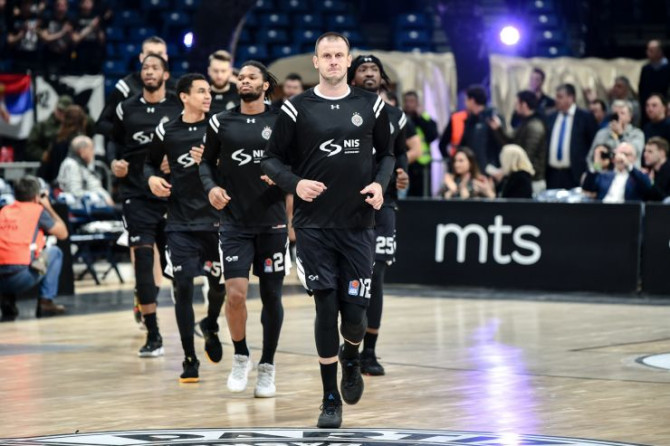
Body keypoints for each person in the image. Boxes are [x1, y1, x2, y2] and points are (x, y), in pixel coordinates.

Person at [261, 32, 394, 428]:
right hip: (313, 226)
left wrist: (379, 185)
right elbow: (270, 161)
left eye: (339, 55)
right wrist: (295, 183)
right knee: (326, 307)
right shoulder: (295, 108)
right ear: (316, 62)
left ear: (348, 61)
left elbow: (388, 155)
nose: (334, 61)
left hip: (358, 225)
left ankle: (352, 357)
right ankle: (329, 397)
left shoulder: (371, 104)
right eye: (327, 55)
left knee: (353, 316)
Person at [198, 61, 287, 397]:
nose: (244, 80)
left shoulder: (281, 119)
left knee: (271, 297)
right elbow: (206, 163)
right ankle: (240, 355)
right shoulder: (220, 121)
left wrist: (283, 176)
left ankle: (268, 366)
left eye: (252, 77)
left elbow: (299, 162)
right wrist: (211, 188)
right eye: (241, 77)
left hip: (272, 221)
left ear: (265, 85)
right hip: (234, 221)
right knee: (235, 294)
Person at [144, 73, 226, 383]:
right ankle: (190, 358)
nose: (208, 96)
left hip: (216, 221)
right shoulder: (167, 130)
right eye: (201, 91)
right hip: (179, 222)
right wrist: (152, 179)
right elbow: (149, 163)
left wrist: (214, 161)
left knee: (218, 287)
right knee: (183, 288)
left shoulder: (218, 126)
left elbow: (236, 168)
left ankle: (211, 323)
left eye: (209, 91)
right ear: (184, 96)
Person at [110, 54, 182, 357]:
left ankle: (191, 323)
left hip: (172, 194)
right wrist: (114, 163)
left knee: (176, 266)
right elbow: (114, 144)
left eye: (155, 68)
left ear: (165, 74)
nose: (149, 72)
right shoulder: (126, 108)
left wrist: (175, 160)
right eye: (145, 68)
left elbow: (191, 141)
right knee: (142, 260)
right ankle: (153, 333)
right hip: (136, 194)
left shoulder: (178, 105)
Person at [348, 53, 413, 376]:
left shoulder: (396, 116)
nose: (369, 74)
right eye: (363, 69)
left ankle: (369, 352)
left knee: (377, 277)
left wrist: (403, 173)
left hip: (384, 205)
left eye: (374, 69)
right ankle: (350, 346)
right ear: (352, 77)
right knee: (350, 277)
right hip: (347, 204)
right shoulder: (342, 109)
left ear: (382, 78)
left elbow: (400, 154)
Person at [0, 176, 69, 318]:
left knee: (10, 252)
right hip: (20, 277)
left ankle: (6, 300)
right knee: (55, 252)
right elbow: (63, 233)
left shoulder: (4, 211)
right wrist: (48, 207)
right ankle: (46, 302)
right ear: (37, 196)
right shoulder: (37, 211)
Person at [95, 36, 175, 140]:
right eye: (150, 54)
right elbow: (102, 124)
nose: (154, 59)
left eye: (159, 54)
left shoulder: (177, 89)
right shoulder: (126, 87)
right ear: (141, 57)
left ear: (166, 58)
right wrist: (129, 135)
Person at [489, 90, 547, 193]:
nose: (515, 107)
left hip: (532, 180)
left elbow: (526, 156)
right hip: (523, 177)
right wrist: (498, 129)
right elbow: (510, 143)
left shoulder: (535, 126)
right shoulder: (526, 123)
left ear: (524, 104)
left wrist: (505, 170)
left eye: (516, 103)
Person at [545, 83, 598, 190]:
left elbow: (593, 145)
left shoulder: (585, 117)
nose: (556, 100)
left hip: (575, 174)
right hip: (552, 174)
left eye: (560, 97)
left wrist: (590, 171)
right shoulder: (551, 117)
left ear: (570, 98)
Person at [582, 142, 651, 202]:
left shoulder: (638, 176)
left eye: (626, 154)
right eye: (619, 154)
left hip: (626, 210)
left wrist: (628, 165)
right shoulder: (605, 175)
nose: (621, 157)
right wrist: (596, 165)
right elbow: (587, 188)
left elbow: (647, 187)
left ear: (634, 158)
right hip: (603, 209)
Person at [38, 104, 89, 183]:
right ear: (82, 121)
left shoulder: (57, 139)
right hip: (74, 182)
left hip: (56, 182)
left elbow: (47, 163)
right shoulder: (82, 142)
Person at [56, 135, 113, 205]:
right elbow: (75, 192)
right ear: (82, 151)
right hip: (84, 207)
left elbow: (93, 185)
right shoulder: (71, 164)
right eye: (91, 149)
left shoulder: (83, 164)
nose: (93, 153)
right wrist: (99, 197)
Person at [588, 100, 644, 168]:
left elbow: (633, 152)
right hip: (605, 173)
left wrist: (621, 134)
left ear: (630, 117)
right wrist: (597, 170)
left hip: (628, 173)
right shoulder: (601, 134)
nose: (618, 117)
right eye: (615, 114)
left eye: (622, 113)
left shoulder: (637, 134)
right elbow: (591, 159)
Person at [461, 85, 505, 173]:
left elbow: (501, 142)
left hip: (491, 169)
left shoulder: (493, 117)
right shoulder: (470, 120)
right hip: (474, 169)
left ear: (472, 100)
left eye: (466, 100)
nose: (464, 103)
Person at [402, 90, 438, 197]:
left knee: (423, 194)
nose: (409, 104)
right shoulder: (400, 117)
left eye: (412, 101)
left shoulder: (424, 117)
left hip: (423, 164)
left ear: (417, 103)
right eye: (406, 101)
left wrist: (420, 118)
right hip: (407, 162)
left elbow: (433, 135)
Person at [26, 95, 73, 162]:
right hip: (49, 162)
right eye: (59, 110)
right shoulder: (42, 126)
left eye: (64, 111)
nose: (61, 113)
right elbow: (30, 146)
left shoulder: (73, 127)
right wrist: (42, 155)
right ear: (55, 108)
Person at [638, 39, 670, 128]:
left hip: (666, 109)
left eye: (651, 50)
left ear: (660, 52)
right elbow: (641, 89)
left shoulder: (668, 68)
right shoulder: (646, 69)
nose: (648, 53)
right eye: (647, 50)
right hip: (648, 112)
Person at [38, 0, 73, 74]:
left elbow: (75, 39)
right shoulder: (48, 18)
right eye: (58, 5)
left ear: (67, 7)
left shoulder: (70, 20)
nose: (61, 8)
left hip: (66, 56)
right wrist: (62, 32)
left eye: (63, 6)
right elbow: (45, 38)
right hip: (49, 55)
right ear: (54, 7)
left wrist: (70, 33)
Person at [71, 0, 105, 74]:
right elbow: (75, 39)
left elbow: (102, 40)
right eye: (86, 2)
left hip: (94, 52)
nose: (88, 4)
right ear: (81, 4)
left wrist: (98, 29)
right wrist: (91, 27)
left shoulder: (96, 18)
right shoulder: (76, 18)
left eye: (90, 2)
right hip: (80, 51)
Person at [207, 49, 239, 115]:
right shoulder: (202, 93)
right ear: (209, 71)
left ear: (230, 71)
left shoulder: (240, 93)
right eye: (215, 71)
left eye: (223, 71)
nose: (219, 76)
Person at [642, 137, 670, 201]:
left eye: (650, 152)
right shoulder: (648, 171)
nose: (645, 155)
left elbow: (664, 199)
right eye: (645, 151)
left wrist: (650, 182)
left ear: (662, 153)